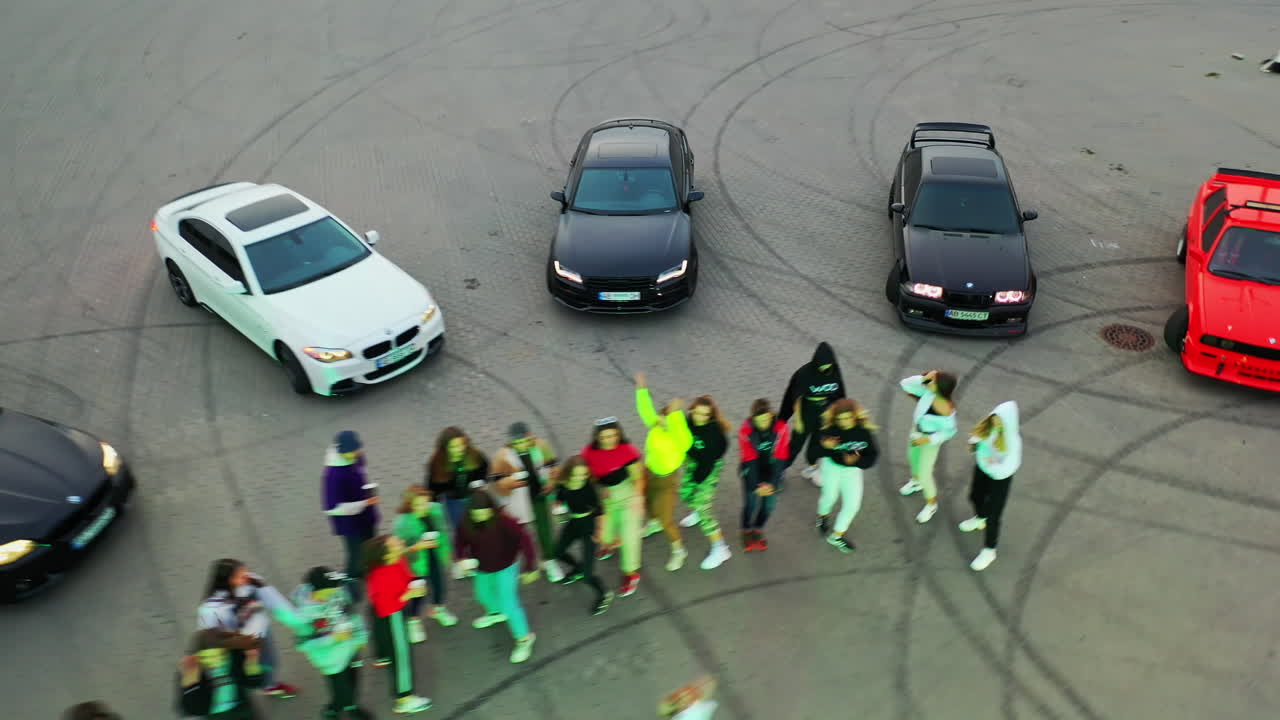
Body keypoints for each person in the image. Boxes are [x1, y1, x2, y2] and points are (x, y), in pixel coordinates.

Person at [453, 489, 540, 663]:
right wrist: (461, 558)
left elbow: (525, 540)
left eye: (484, 513)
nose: (480, 518)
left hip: (506, 567)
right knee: (482, 595)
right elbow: (459, 541)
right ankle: (495, 613)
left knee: (509, 603)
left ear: (491, 509)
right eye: (476, 515)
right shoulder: (466, 522)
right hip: (482, 568)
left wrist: (530, 566)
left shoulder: (504, 522)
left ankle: (524, 639)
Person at [197, 560, 300, 700]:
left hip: (260, 636)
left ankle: (269, 686)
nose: (247, 577)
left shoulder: (253, 582)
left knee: (269, 664)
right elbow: (209, 639)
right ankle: (241, 693)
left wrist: (298, 622)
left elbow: (276, 603)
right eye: (241, 576)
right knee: (241, 674)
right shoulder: (210, 609)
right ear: (228, 580)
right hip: (235, 648)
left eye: (246, 572)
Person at [362, 535, 433, 714]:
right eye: (396, 543)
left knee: (388, 646)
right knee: (401, 656)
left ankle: (382, 656)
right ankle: (404, 698)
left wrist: (413, 583)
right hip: (391, 615)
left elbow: (405, 572)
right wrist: (410, 594)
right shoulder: (380, 577)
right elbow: (386, 607)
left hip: (386, 612)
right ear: (387, 555)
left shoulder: (395, 559)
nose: (401, 542)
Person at [290, 567, 373, 720]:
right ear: (319, 590)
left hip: (350, 648)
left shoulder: (337, 594)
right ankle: (335, 709)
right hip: (330, 658)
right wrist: (333, 638)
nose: (338, 588)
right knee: (340, 688)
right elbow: (302, 644)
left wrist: (360, 638)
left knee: (353, 681)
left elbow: (352, 614)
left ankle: (349, 707)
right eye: (333, 586)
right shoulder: (304, 615)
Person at [801, 398, 879, 553]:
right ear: (834, 418)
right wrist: (824, 446)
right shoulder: (829, 430)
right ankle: (822, 517)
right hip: (832, 467)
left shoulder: (864, 432)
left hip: (852, 471)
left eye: (847, 418)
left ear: (854, 416)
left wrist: (858, 461)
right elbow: (812, 454)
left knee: (853, 505)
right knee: (830, 497)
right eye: (840, 419)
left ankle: (836, 536)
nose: (843, 422)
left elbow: (873, 456)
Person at [634, 371, 693, 571]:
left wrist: (674, 415)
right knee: (649, 504)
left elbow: (685, 442)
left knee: (666, 519)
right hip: (649, 473)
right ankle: (653, 523)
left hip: (667, 480)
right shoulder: (657, 425)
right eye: (662, 415)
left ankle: (679, 551)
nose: (661, 420)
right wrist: (641, 389)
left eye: (666, 417)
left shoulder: (680, 436)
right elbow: (645, 410)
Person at [490, 422, 563, 582]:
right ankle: (520, 563)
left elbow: (553, 466)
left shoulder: (541, 446)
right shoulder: (503, 456)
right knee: (520, 535)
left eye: (523, 441)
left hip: (539, 496)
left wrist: (551, 482)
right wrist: (509, 482)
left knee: (545, 531)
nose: (520, 445)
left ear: (530, 436)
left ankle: (549, 560)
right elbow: (496, 482)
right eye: (516, 443)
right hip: (517, 502)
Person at [581, 418, 645, 597]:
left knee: (630, 537)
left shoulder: (627, 450)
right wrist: (599, 488)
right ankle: (610, 543)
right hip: (606, 498)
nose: (609, 440)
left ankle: (631, 573)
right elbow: (588, 476)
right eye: (604, 437)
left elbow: (638, 478)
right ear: (597, 437)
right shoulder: (589, 452)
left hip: (628, 495)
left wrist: (638, 497)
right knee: (604, 535)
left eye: (613, 436)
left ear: (619, 434)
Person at [961, 401, 1022, 571]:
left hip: (1000, 479)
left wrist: (991, 464)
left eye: (1000, 421)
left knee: (994, 515)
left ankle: (989, 550)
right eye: (995, 418)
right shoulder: (990, 428)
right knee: (974, 496)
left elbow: (1008, 467)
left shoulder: (1013, 442)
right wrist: (975, 444)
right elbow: (980, 440)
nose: (996, 423)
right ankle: (981, 518)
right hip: (983, 470)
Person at [392, 485, 459, 637]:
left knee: (439, 585)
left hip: (433, 555)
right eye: (418, 505)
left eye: (425, 503)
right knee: (418, 592)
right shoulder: (402, 523)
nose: (423, 508)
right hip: (414, 563)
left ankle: (437, 609)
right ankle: (413, 621)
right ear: (409, 505)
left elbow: (442, 531)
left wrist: (446, 551)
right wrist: (416, 546)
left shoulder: (435, 510)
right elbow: (397, 551)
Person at [550, 455, 614, 615]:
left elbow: (600, 511)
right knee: (557, 552)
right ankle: (578, 568)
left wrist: (599, 532)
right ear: (568, 473)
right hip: (574, 522)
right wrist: (557, 504)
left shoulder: (588, 488)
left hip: (589, 526)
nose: (580, 478)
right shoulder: (563, 483)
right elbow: (559, 497)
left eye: (583, 474)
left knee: (588, 574)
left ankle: (604, 594)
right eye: (576, 475)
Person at [778, 342, 847, 487]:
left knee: (818, 442)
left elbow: (839, 393)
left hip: (824, 412)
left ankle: (812, 467)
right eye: (822, 365)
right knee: (796, 443)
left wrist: (837, 416)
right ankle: (780, 469)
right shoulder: (804, 374)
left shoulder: (834, 371)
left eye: (828, 365)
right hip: (806, 411)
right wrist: (797, 420)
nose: (825, 368)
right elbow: (794, 397)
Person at [679, 396, 732, 570]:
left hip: (709, 467)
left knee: (703, 508)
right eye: (697, 413)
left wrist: (697, 480)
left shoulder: (713, 433)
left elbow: (707, 463)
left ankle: (721, 549)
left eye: (705, 415)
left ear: (710, 416)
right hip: (694, 463)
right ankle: (696, 511)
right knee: (686, 493)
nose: (699, 418)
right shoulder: (688, 421)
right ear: (692, 410)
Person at [898, 370, 958, 523]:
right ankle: (916, 481)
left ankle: (931, 505)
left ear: (940, 387)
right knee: (913, 458)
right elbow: (905, 384)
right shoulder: (928, 392)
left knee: (925, 473)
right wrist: (923, 378)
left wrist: (926, 439)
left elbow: (949, 432)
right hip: (917, 432)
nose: (928, 382)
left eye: (932, 381)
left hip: (930, 441)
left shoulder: (946, 409)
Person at [322, 431, 379, 581]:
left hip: (365, 515)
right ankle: (351, 579)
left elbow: (362, 470)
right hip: (350, 524)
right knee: (355, 554)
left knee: (370, 543)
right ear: (341, 452)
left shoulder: (356, 457)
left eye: (356, 450)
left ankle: (370, 569)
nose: (355, 454)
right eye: (350, 452)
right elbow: (332, 508)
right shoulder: (333, 475)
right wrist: (363, 503)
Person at [176, 629, 267, 719]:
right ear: (198, 657)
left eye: (220, 656)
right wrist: (191, 682)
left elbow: (255, 683)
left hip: (242, 712)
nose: (215, 664)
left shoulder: (235, 658)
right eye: (206, 658)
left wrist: (251, 663)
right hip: (215, 716)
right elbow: (192, 709)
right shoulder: (192, 669)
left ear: (227, 652)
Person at [737, 399, 791, 551]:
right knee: (750, 505)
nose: (764, 423)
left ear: (771, 415)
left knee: (769, 506)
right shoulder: (746, 431)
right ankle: (746, 530)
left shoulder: (781, 428)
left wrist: (772, 484)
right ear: (753, 419)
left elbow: (781, 457)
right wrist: (756, 486)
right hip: (751, 471)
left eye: (766, 419)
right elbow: (749, 459)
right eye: (760, 420)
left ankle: (758, 529)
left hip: (772, 472)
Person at [426, 427, 490, 529]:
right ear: (445, 448)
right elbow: (432, 489)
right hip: (453, 501)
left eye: (461, 444)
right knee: (460, 527)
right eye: (453, 447)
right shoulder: (437, 463)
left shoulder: (474, 455)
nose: (459, 449)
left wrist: (480, 483)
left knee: (482, 524)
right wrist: (433, 509)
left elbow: (484, 470)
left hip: (473, 495)